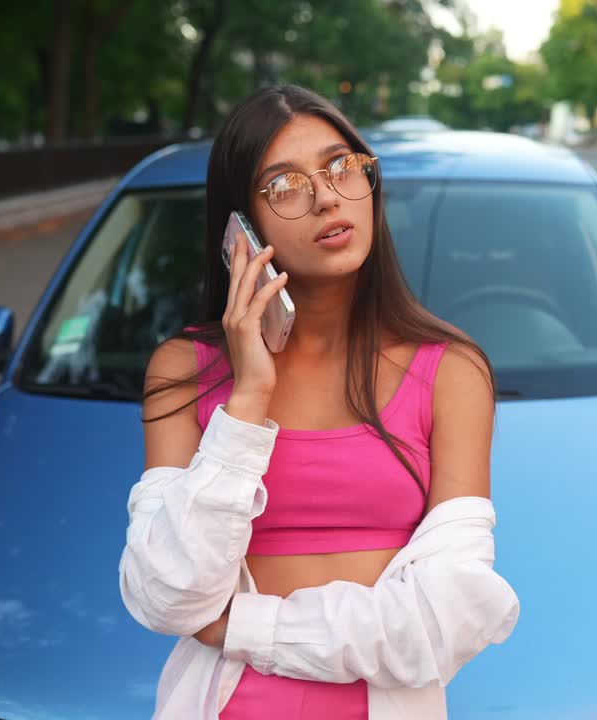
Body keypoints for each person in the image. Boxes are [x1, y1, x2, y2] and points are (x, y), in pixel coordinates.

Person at [118, 84, 520, 719]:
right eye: (285, 185)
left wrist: (243, 628)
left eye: (341, 167)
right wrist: (248, 397)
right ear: (239, 228)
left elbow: (450, 617)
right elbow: (166, 597)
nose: (329, 196)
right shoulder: (185, 372)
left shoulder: (451, 372)